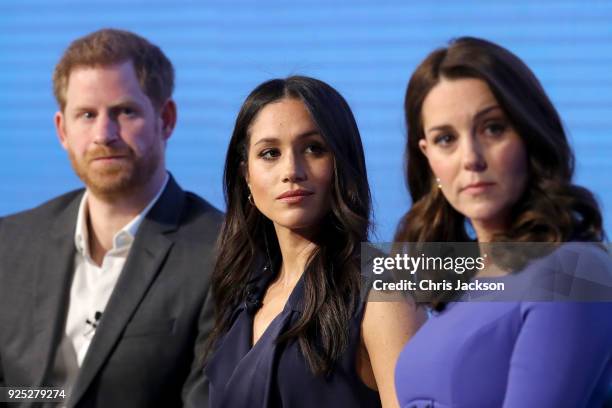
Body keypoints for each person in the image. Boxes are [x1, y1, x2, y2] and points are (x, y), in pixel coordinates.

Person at [0, 29, 222, 407]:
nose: (104, 134)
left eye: (124, 112)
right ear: (62, 130)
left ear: (165, 119)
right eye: (86, 114)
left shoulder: (223, 251)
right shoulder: (10, 241)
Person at [393, 36, 612, 407]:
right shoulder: (458, 287)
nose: (471, 159)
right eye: (446, 138)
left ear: (529, 133)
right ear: (428, 158)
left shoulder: (573, 271)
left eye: (493, 128)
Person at [200, 76, 425, 408]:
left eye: (313, 149)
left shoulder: (384, 285)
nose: (291, 170)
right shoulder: (242, 294)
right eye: (270, 153)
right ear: (246, 175)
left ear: (342, 162)